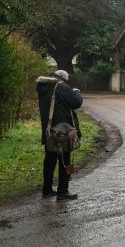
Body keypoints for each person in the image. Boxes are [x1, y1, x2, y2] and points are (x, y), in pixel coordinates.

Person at [37, 69, 83, 201]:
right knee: (65, 161)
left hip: (48, 131)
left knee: (49, 160)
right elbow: (77, 102)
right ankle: (63, 192)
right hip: (63, 131)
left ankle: (47, 190)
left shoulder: (43, 88)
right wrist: (76, 92)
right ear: (62, 79)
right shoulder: (61, 87)